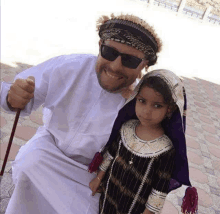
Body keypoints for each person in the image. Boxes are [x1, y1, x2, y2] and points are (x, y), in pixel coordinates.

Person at [0, 14, 162, 214]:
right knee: (29, 166)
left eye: (129, 60)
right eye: (109, 52)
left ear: (144, 65)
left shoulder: (142, 105)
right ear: (100, 45)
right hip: (47, 154)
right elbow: (14, 94)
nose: (115, 66)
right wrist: (12, 97)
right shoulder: (69, 67)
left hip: (90, 176)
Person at [89, 69, 198, 214]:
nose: (146, 111)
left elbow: (159, 189)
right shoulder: (126, 129)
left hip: (135, 208)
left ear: (169, 109)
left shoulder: (165, 149)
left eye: (157, 105)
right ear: (135, 98)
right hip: (109, 196)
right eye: (142, 101)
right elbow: (110, 154)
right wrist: (98, 178)